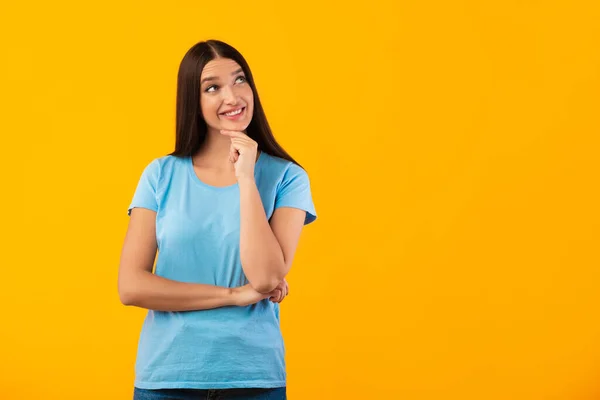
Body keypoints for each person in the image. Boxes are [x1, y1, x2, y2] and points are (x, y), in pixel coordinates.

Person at [118, 39, 317, 400]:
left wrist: (245, 177)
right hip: (167, 375)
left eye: (240, 80)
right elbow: (131, 286)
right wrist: (235, 295)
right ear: (193, 101)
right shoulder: (160, 175)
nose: (232, 96)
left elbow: (266, 276)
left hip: (253, 377)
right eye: (213, 87)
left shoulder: (287, 177)